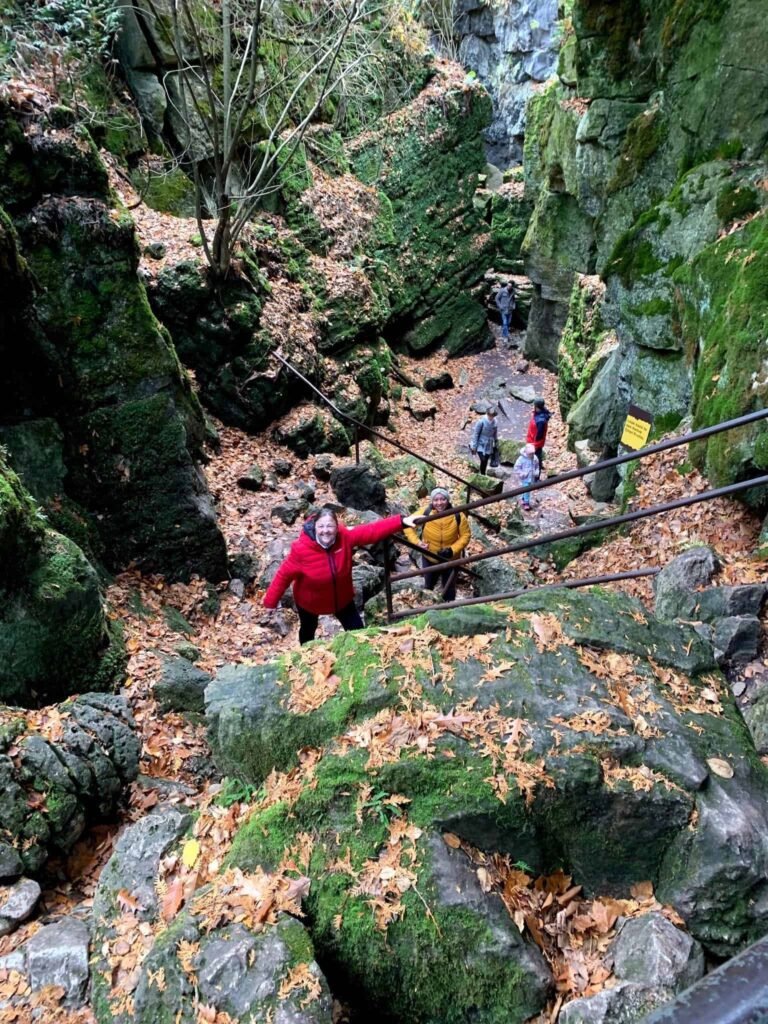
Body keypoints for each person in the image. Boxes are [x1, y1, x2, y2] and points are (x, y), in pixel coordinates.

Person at [263, 507, 417, 645]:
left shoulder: (345, 537)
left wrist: (402, 521)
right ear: (314, 527)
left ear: (337, 527)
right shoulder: (301, 550)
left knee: (358, 632)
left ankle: (359, 656)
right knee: (308, 631)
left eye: (330, 526)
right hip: (310, 602)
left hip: (342, 599)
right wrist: (270, 602)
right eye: (321, 526)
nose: (325, 531)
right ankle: (306, 657)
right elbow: (283, 576)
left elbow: (371, 531)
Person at [404, 487, 471, 603]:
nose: (439, 503)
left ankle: (449, 608)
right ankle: (428, 607)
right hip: (429, 556)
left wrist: (452, 550)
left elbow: (466, 535)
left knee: (449, 588)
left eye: (443, 499)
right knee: (428, 585)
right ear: (432, 501)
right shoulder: (425, 512)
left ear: (448, 500)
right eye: (436, 500)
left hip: (451, 559)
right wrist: (417, 542)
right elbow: (407, 525)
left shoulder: (458, 515)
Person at [470, 405, 498, 474]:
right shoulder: (481, 422)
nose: (491, 417)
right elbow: (476, 433)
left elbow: (495, 433)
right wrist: (474, 446)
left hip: (489, 444)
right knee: (482, 459)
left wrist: (496, 442)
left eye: (493, 415)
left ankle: (483, 473)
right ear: (487, 414)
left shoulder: (495, 422)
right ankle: (481, 473)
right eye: (490, 415)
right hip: (481, 443)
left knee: (485, 460)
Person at [526, 397, 552, 474]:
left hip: (534, 444)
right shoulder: (541, 414)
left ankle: (536, 477)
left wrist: (534, 445)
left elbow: (539, 436)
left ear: (537, 407)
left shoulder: (540, 420)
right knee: (537, 458)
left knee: (535, 459)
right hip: (533, 441)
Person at [513, 443, 540, 511]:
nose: (531, 455)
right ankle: (526, 503)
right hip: (525, 477)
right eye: (530, 454)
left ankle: (523, 498)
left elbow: (537, 465)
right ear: (526, 452)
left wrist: (537, 471)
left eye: (532, 454)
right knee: (527, 489)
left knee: (527, 489)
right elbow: (516, 467)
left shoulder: (534, 458)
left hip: (532, 476)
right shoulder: (521, 459)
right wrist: (522, 473)